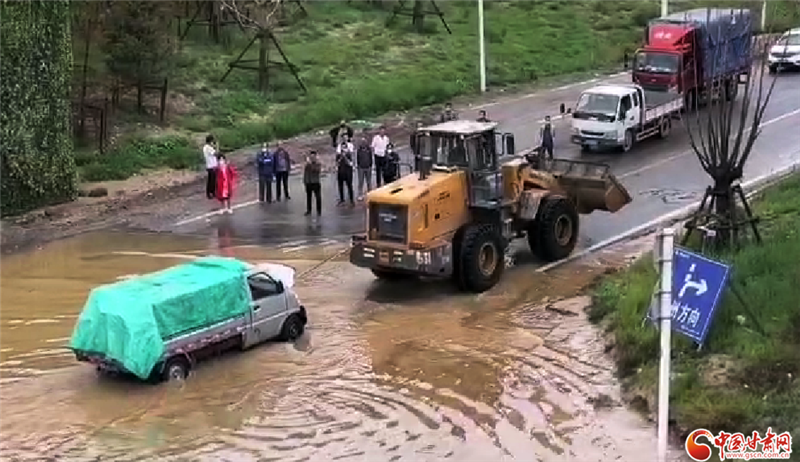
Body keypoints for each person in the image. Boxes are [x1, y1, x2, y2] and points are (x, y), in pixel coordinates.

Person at [336, 139, 355, 206]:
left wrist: (345, 157)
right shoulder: (338, 155)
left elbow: (350, 164)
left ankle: (351, 200)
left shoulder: (349, 155)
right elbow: (337, 163)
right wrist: (341, 157)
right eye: (342, 147)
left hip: (348, 173)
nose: (343, 149)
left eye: (345, 147)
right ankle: (342, 199)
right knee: (340, 186)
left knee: (349, 186)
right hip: (340, 172)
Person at [303, 151, 322, 216]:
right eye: (311, 156)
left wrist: (310, 164)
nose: (312, 158)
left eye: (313, 156)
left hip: (315, 182)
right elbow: (305, 173)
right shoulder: (307, 164)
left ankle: (319, 211)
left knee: (318, 197)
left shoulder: (318, 163)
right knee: (309, 197)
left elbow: (316, 171)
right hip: (309, 182)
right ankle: (309, 210)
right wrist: (305, 181)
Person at [355, 132, 373, 200]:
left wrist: (370, 165)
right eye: (362, 142)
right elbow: (358, 159)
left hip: (368, 167)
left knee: (369, 181)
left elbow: (371, 158)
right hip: (361, 168)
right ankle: (360, 195)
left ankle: (370, 193)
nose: (363, 144)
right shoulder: (359, 151)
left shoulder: (369, 150)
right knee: (360, 182)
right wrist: (359, 166)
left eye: (364, 142)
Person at [203, 135, 218, 199]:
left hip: (210, 165)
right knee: (212, 181)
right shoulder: (208, 148)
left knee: (211, 180)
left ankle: (212, 192)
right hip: (212, 166)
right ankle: (210, 193)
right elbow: (216, 154)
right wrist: (217, 147)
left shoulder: (206, 147)